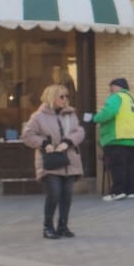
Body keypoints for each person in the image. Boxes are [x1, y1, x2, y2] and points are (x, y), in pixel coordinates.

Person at [22, 84, 84, 239]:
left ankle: (63, 226)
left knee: (67, 195)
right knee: (54, 193)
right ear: (52, 97)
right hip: (50, 161)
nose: (65, 99)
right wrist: (44, 144)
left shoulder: (70, 114)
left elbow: (79, 131)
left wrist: (68, 142)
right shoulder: (38, 116)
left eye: (67, 96)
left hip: (69, 160)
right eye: (61, 96)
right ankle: (48, 227)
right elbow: (27, 135)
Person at [94, 77, 134, 200]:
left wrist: (95, 118)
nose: (110, 91)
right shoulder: (133, 100)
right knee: (130, 165)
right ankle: (130, 191)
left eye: (111, 88)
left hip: (118, 137)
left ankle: (118, 192)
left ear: (118, 87)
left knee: (117, 165)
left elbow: (108, 113)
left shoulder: (117, 97)